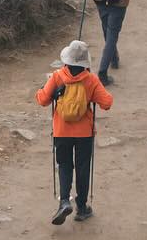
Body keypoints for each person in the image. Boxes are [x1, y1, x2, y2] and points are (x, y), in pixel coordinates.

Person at [36, 41, 113, 225]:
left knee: (64, 165)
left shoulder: (57, 77)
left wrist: (45, 92)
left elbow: (43, 100)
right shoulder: (91, 80)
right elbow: (107, 103)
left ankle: (64, 201)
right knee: (83, 168)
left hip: (61, 131)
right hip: (84, 133)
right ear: (85, 62)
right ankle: (82, 207)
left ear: (67, 60)